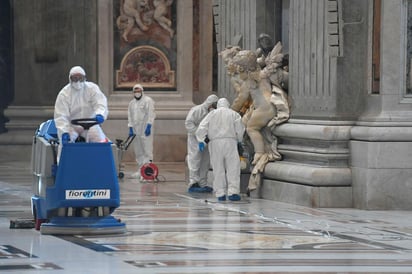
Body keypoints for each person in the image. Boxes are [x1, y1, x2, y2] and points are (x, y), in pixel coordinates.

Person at [196, 98, 245, 201]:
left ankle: (220, 193)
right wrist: (239, 140)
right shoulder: (234, 114)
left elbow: (202, 127)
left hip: (215, 143)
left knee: (218, 168)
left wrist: (201, 140)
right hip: (230, 141)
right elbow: (240, 129)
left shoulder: (212, 114)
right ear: (228, 104)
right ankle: (233, 192)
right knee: (233, 168)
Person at [54, 66, 108, 158]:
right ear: (70, 78)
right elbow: (61, 115)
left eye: (80, 78)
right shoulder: (64, 94)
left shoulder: (92, 88)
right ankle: (63, 168)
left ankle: (102, 167)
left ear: (85, 78)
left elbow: (100, 102)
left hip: (91, 124)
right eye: (75, 78)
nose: (78, 81)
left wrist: (100, 114)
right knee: (65, 145)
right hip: (72, 125)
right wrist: (64, 132)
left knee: (101, 142)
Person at [185, 94, 218, 193]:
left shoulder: (213, 113)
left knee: (205, 161)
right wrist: (198, 135)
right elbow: (188, 123)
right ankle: (193, 182)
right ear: (209, 103)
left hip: (206, 140)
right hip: (195, 140)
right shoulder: (196, 110)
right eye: (213, 104)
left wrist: (205, 138)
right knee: (195, 159)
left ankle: (203, 183)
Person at [128, 84, 156, 180]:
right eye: (135, 91)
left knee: (147, 149)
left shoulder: (148, 101)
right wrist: (130, 127)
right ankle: (140, 169)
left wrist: (149, 125)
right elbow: (130, 116)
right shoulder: (131, 103)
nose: (137, 93)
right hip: (136, 129)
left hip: (145, 128)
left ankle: (147, 171)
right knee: (138, 150)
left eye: (138, 91)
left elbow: (151, 114)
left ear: (142, 91)